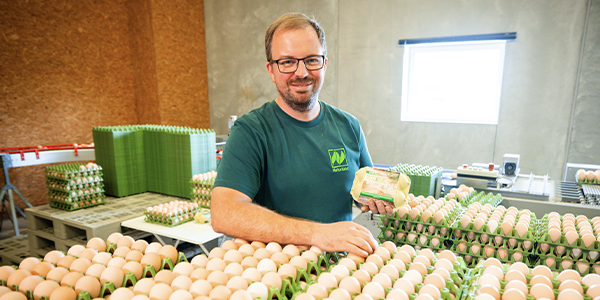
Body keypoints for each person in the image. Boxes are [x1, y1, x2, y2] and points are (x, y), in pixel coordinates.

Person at [211, 13, 393, 258]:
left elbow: (368, 196)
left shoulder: (348, 126)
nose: (301, 72)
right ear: (271, 70)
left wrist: (383, 199)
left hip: (341, 275)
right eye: (287, 62)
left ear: (324, 64)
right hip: (277, 277)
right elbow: (224, 213)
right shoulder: (251, 131)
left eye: (311, 60)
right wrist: (318, 234)